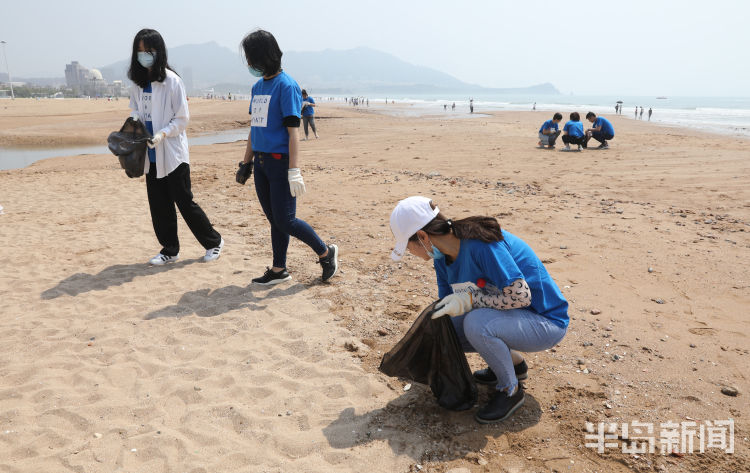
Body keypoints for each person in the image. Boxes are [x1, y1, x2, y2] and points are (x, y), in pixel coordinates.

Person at [389, 196, 568, 423]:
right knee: (446, 327)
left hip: (545, 322)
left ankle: (510, 390)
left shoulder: (481, 245)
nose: (410, 253)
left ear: (423, 237)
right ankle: (513, 365)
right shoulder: (442, 258)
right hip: (511, 319)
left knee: (477, 323)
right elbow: (451, 304)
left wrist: (472, 300)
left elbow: (521, 296)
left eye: (408, 246)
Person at [237, 29, 338, 285]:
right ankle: (279, 269)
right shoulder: (257, 87)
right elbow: (254, 127)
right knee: (275, 220)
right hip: (260, 163)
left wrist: (294, 170)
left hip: (280, 163)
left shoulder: (287, 86)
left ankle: (326, 253)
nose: (249, 64)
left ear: (265, 56)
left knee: (286, 220)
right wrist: (245, 162)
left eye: (252, 57)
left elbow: (293, 133)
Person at [127, 29, 223, 266]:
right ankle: (170, 249)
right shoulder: (138, 84)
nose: (144, 55)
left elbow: (182, 118)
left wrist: (162, 133)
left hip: (172, 154)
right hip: (150, 154)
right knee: (159, 205)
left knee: (184, 201)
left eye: (148, 51)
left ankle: (214, 242)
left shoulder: (172, 81)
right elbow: (135, 109)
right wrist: (136, 122)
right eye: (139, 51)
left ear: (158, 52)